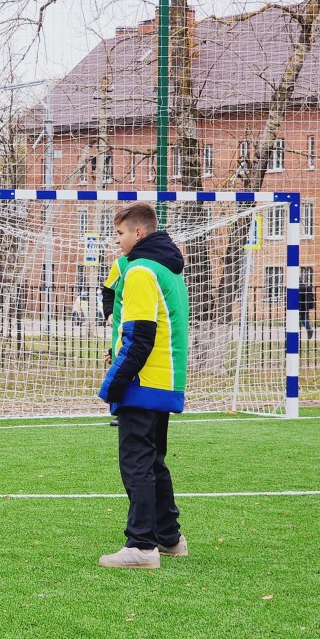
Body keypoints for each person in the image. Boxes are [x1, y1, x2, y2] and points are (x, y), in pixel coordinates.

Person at [97, 202, 189, 569]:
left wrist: (114, 383)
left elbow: (140, 337)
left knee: (136, 462)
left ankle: (142, 547)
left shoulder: (139, 272)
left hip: (143, 379)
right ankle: (169, 538)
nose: (116, 240)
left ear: (139, 232)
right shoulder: (170, 271)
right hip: (165, 378)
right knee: (154, 461)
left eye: (120, 233)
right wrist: (116, 351)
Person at [101, 255, 128, 427]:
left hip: (145, 323)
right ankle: (120, 411)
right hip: (122, 327)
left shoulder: (155, 264)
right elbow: (108, 291)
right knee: (121, 363)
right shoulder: (120, 264)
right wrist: (109, 313)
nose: (118, 240)